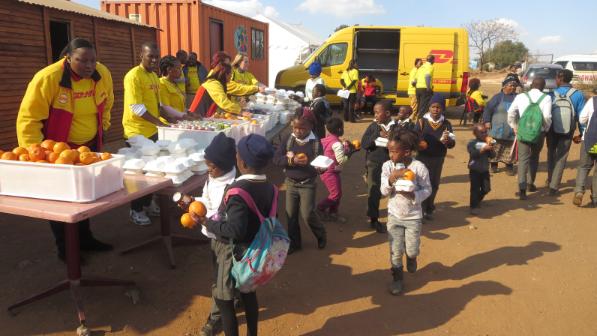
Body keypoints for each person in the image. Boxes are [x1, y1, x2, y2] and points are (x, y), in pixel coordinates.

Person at [17, 37, 114, 261]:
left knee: (84, 195)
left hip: (88, 147)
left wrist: (104, 126)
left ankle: (86, 239)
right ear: (68, 58)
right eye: (82, 61)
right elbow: (28, 119)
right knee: (61, 201)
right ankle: (67, 249)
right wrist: (34, 154)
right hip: (57, 150)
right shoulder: (48, 78)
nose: (89, 66)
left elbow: (107, 102)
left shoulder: (102, 74)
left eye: (93, 60)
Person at [200, 134, 276, 336]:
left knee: (224, 300)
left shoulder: (236, 191)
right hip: (255, 249)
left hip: (232, 250)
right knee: (248, 294)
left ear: (241, 161)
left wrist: (206, 222)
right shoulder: (270, 186)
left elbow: (235, 230)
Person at [123, 42, 182, 226]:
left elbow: (158, 106)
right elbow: (136, 108)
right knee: (140, 172)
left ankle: (147, 204)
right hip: (136, 131)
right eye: (151, 56)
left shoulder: (154, 77)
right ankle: (136, 209)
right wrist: (158, 122)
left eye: (157, 56)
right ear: (141, 54)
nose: (155, 60)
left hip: (152, 130)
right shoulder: (133, 76)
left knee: (154, 170)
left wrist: (172, 120)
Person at [196, 133, 238, 336]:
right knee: (219, 275)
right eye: (207, 166)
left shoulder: (233, 187)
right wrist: (195, 204)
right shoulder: (213, 176)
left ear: (224, 164)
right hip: (213, 237)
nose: (208, 170)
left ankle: (216, 318)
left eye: (212, 166)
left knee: (221, 284)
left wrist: (202, 217)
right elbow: (206, 197)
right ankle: (233, 297)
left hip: (226, 239)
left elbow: (222, 216)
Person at [380, 130, 431, 295]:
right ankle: (397, 279)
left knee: (411, 249)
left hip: (413, 217)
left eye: (394, 152)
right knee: (395, 251)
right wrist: (390, 179)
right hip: (394, 215)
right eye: (389, 151)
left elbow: (427, 189)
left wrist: (414, 195)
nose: (391, 155)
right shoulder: (388, 166)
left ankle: (412, 256)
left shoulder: (418, 167)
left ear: (407, 152)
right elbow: (383, 191)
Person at [273, 116, 327, 254]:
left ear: (310, 128)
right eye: (295, 128)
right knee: (291, 215)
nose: (298, 131)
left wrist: (320, 168)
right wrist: (292, 160)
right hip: (290, 183)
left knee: (307, 213)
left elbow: (319, 163)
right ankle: (295, 243)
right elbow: (277, 159)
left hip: (307, 184)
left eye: (302, 128)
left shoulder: (315, 143)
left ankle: (320, 234)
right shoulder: (288, 139)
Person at [507, 77, 552, 200]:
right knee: (534, 157)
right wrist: (546, 129)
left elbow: (511, 112)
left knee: (523, 160)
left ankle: (522, 189)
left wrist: (514, 126)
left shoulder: (521, 96)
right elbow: (547, 117)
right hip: (539, 133)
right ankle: (530, 183)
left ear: (531, 85)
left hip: (523, 132)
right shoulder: (546, 98)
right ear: (543, 87)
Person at [415, 94, 456, 220]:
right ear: (429, 107)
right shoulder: (421, 122)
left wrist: (448, 141)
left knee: (434, 183)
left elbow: (452, 143)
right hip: (422, 158)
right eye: (433, 107)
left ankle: (429, 207)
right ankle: (419, 209)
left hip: (438, 158)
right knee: (420, 183)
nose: (435, 109)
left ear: (443, 108)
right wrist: (419, 144)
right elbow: (414, 138)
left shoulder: (446, 124)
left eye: (438, 107)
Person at [546, 69, 585, 195]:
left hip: (552, 128)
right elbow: (582, 116)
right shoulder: (578, 94)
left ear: (559, 79)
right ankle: (554, 185)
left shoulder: (551, 94)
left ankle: (550, 178)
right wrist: (582, 133)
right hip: (568, 129)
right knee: (562, 156)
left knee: (551, 152)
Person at [361, 100, 396, 233]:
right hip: (374, 163)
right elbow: (364, 144)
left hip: (391, 164)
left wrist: (392, 139)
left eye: (377, 112)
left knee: (393, 190)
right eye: (374, 112)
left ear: (387, 113)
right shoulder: (373, 127)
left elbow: (403, 143)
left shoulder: (396, 127)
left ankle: (395, 217)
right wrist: (377, 136)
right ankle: (374, 219)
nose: (374, 114)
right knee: (373, 190)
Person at [317, 117, 353, 222]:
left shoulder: (326, 139)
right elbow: (341, 160)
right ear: (339, 129)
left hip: (325, 170)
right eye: (342, 127)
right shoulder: (337, 144)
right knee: (336, 194)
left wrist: (344, 146)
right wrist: (349, 152)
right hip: (330, 172)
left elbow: (330, 150)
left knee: (337, 192)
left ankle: (333, 212)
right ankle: (320, 208)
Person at [483, 77, 518, 175]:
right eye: (511, 85)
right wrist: (487, 121)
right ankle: (493, 165)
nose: (513, 88)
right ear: (504, 87)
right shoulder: (497, 97)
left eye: (515, 86)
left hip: (511, 128)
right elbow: (488, 109)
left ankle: (509, 166)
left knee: (510, 148)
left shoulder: (518, 97)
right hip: (497, 127)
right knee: (495, 146)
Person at [573, 89, 597, 207]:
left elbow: (582, 119)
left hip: (590, 140)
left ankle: (579, 191)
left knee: (583, 166)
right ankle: (595, 198)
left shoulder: (593, 101)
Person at [467, 124, 495, 215]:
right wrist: (483, 149)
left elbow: (492, 156)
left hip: (484, 169)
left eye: (485, 132)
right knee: (474, 188)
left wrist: (490, 148)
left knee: (486, 188)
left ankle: (477, 200)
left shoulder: (488, 142)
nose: (484, 134)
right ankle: (473, 206)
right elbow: (473, 155)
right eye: (481, 132)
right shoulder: (472, 143)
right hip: (474, 169)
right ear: (475, 133)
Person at [415, 55, 435, 120]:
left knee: (419, 106)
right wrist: (428, 87)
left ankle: (418, 121)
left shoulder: (421, 67)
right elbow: (427, 76)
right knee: (424, 107)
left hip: (418, 88)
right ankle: (420, 122)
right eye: (434, 60)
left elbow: (414, 80)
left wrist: (417, 86)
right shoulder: (430, 66)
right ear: (432, 60)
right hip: (425, 89)